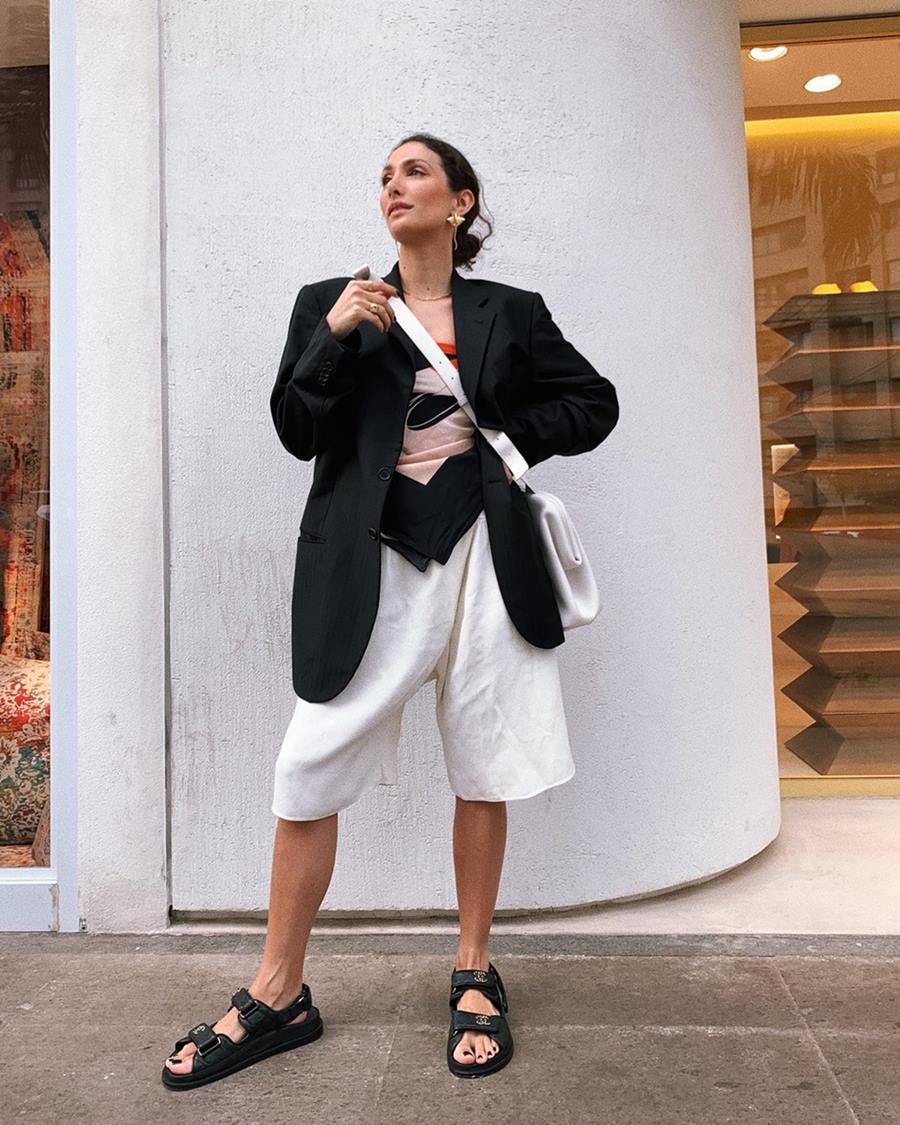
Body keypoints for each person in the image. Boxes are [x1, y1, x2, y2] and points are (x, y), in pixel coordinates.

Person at [161, 132, 619, 1090]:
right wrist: (331, 337)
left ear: (459, 201)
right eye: (383, 176)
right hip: (370, 569)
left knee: (484, 758)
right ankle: (279, 988)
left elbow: (594, 401)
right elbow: (295, 431)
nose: (392, 186)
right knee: (307, 764)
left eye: (414, 171)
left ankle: (473, 969)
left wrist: (504, 438)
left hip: (485, 563)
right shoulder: (335, 304)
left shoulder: (510, 311)